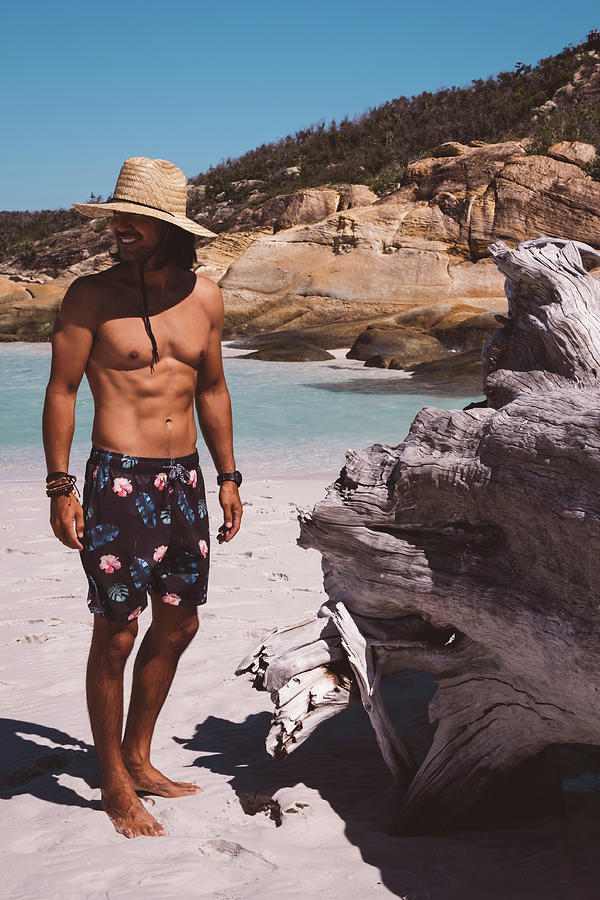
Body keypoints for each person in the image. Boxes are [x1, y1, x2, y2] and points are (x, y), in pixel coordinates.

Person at [42, 157, 243, 839]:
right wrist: (60, 484)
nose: (124, 228)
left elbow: (212, 390)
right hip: (117, 479)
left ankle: (138, 754)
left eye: (141, 220)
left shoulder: (206, 297)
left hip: (184, 479)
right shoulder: (90, 295)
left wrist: (228, 475)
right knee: (118, 630)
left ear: (170, 229)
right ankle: (113, 782)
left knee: (181, 622)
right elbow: (62, 390)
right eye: (120, 217)